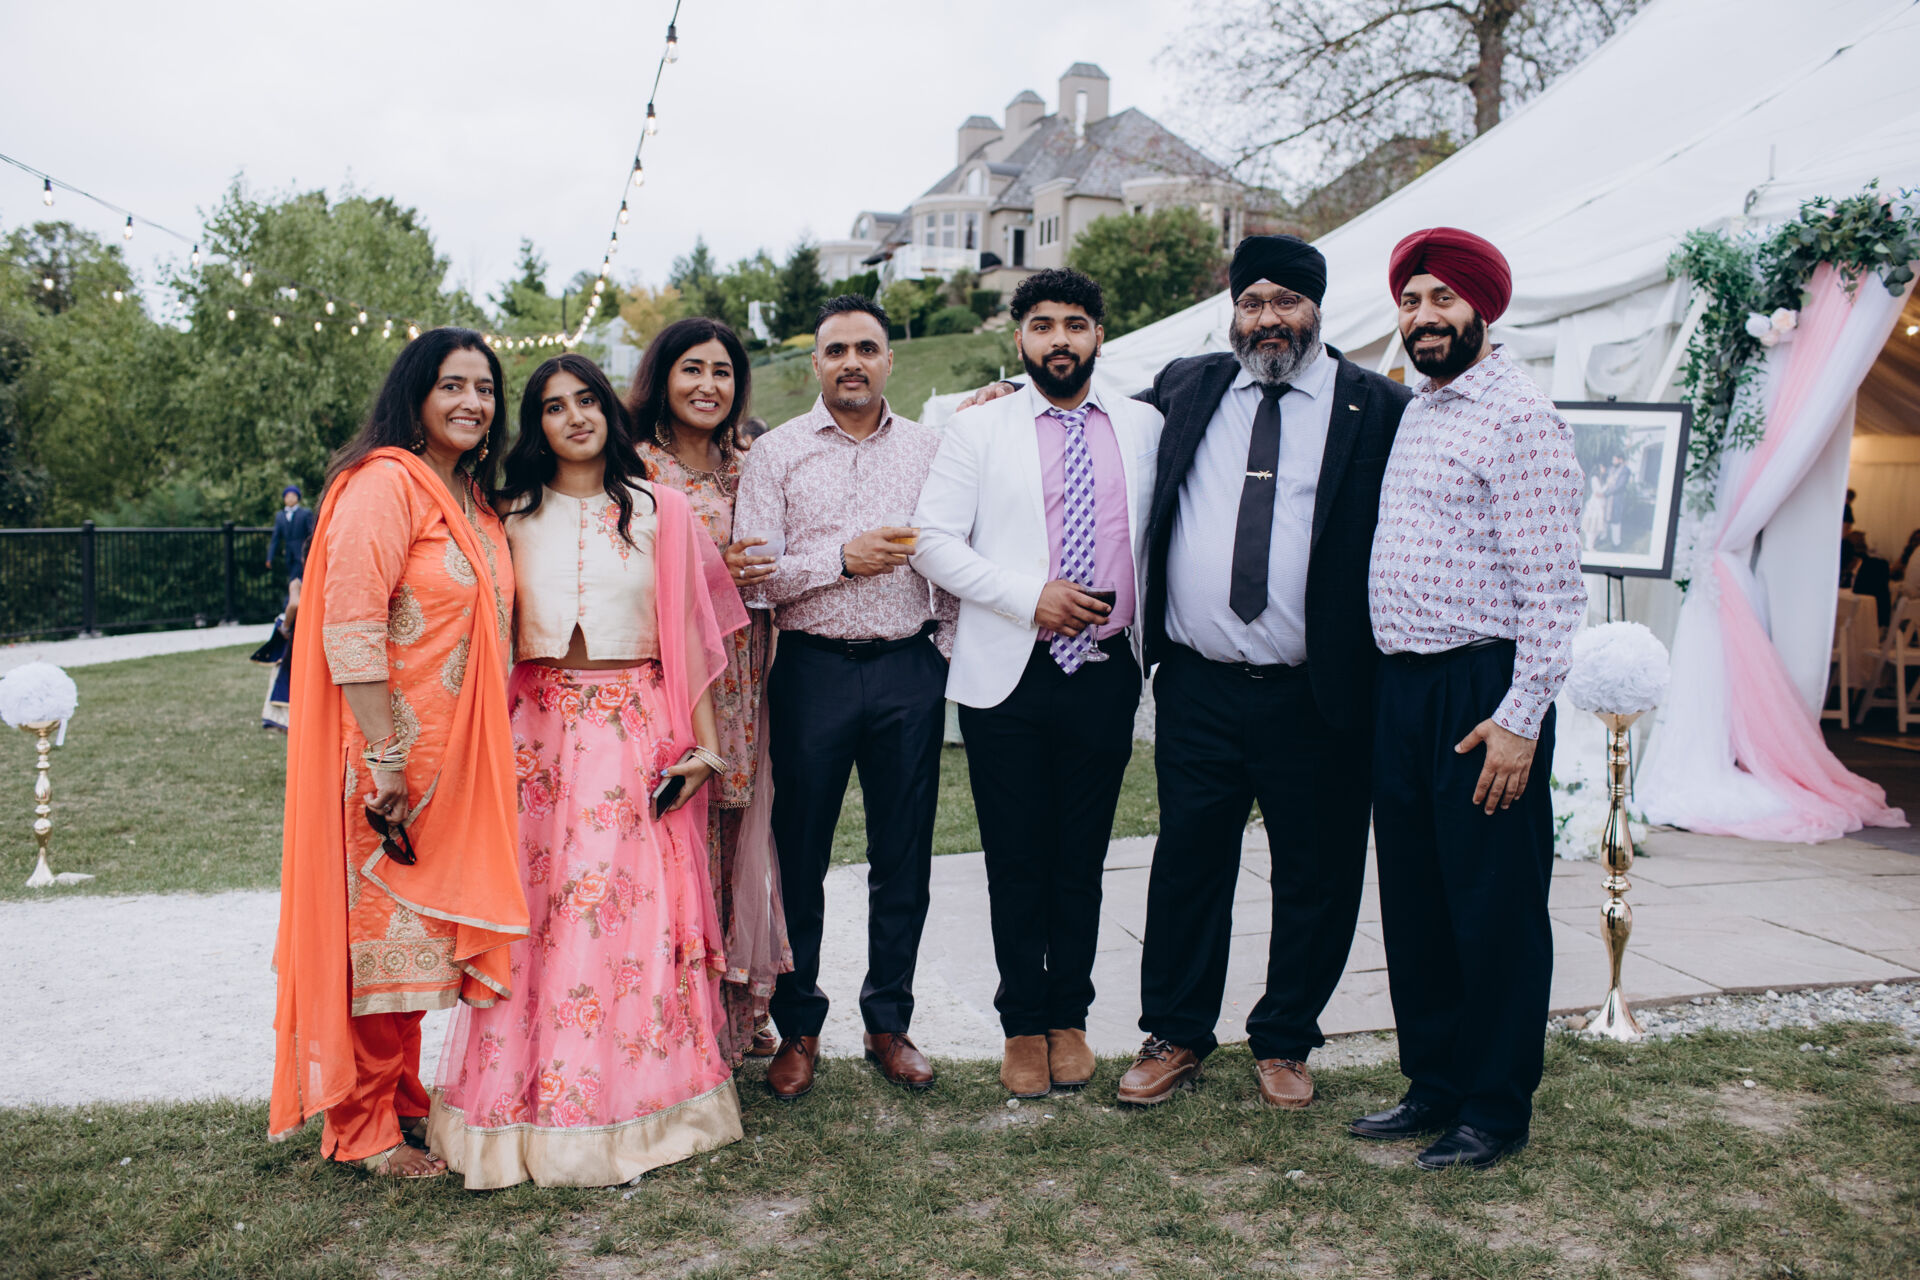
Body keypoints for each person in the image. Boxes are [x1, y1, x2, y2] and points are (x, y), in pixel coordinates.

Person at [958, 236, 1411, 1112]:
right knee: (1188, 865)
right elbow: (1080, 411)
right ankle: (1176, 1033)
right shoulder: (1187, 387)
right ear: (1232, 312)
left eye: (1286, 301)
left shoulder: (1376, 406)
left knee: (1316, 872)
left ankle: (1285, 1037)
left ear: (1317, 308)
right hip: (1200, 684)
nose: (1268, 318)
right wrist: (1011, 394)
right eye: (1251, 302)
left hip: (1317, 690)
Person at [429, 354, 749, 1188]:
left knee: (622, 920)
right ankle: (520, 1113)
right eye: (552, 406)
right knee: (538, 921)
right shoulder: (505, 514)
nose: (573, 418)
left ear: (609, 411)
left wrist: (704, 749)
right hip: (532, 740)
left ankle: (644, 1106)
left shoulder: (662, 511)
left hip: (634, 734)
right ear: (534, 424)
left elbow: (691, 640)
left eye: (586, 401)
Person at [269, 328, 526, 1179]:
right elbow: (349, 625)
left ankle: (405, 1098)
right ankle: (363, 1126)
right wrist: (384, 758)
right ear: (414, 395)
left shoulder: (474, 499)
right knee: (375, 943)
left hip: (460, 760)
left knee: (419, 943)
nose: (472, 402)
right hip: (387, 758)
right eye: (452, 385)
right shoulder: (384, 484)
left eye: (484, 388)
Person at [1360, 227, 1585, 1171]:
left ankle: (1494, 1108)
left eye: (1442, 299)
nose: (1424, 317)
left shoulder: (1521, 416)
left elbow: (1554, 590)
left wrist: (1520, 720)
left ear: (1482, 307)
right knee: (1416, 899)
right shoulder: (1419, 407)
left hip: (1482, 691)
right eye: (1411, 301)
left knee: (1493, 908)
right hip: (1403, 686)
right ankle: (1435, 1082)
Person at [912, 268, 1160, 1098]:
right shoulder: (978, 428)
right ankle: (1022, 1021)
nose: (1060, 339)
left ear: (1099, 336)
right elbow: (933, 542)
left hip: (1105, 673)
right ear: (1018, 336)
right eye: (1043, 324)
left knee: (1081, 857)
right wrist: (1031, 598)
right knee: (1016, 858)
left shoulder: (1145, 425)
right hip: (1009, 677)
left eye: (1076, 323)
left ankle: (1069, 1018)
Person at [732, 294, 957, 1101]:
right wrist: (842, 560)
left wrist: (942, 654)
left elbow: (955, 557)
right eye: (836, 350)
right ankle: (799, 1026)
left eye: (866, 348)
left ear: (888, 360)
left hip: (908, 667)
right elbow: (756, 581)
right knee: (801, 857)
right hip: (813, 671)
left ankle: (889, 1022)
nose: (852, 362)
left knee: (904, 855)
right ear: (816, 364)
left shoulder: (933, 450)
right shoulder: (777, 454)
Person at [629, 318, 790, 1065]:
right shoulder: (636, 467)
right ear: (663, 377)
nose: (707, 385)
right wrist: (716, 564)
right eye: (691, 369)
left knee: (738, 839)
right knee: (680, 835)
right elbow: (625, 571)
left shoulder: (751, 463)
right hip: (678, 675)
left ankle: (737, 1006)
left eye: (722, 372)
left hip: (750, 671)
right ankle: (677, 1011)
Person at [259, 485, 316, 731]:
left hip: (293, 624)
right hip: (292, 559)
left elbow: (294, 603)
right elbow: (276, 537)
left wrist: (285, 625)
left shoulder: (305, 515)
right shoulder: (280, 517)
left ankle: (278, 716)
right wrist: (271, 556)